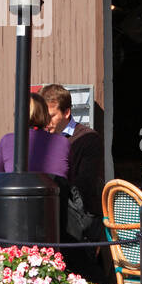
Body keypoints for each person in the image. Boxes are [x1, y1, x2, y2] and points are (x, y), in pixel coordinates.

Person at [40, 84, 105, 216]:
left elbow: (85, 184)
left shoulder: (88, 139)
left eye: (51, 116)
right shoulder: (42, 138)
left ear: (66, 112)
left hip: (79, 216)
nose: (46, 121)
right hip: (49, 210)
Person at [0, 93, 69, 178]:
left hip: (19, 190)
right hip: (54, 190)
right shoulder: (62, 142)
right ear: (45, 114)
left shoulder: (7, 141)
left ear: (18, 114)